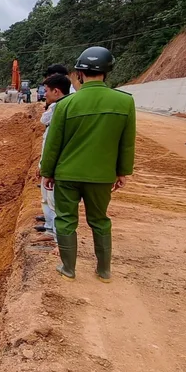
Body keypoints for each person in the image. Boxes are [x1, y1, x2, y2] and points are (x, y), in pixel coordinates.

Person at [41, 46, 135, 282]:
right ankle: (103, 271)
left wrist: (47, 173)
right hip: (102, 176)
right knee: (100, 220)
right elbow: (126, 142)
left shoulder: (66, 105)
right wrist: (123, 171)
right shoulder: (125, 102)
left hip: (67, 175)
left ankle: (69, 269)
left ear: (80, 73)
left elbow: (53, 145)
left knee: (65, 219)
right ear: (108, 72)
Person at [34, 73, 73, 243]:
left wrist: (46, 168)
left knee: (55, 201)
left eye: (47, 91)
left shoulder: (59, 108)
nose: (44, 94)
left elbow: (54, 142)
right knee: (50, 199)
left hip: (58, 166)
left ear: (56, 91)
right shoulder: (61, 106)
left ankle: (59, 239)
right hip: (53, 163)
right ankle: (52, 231)